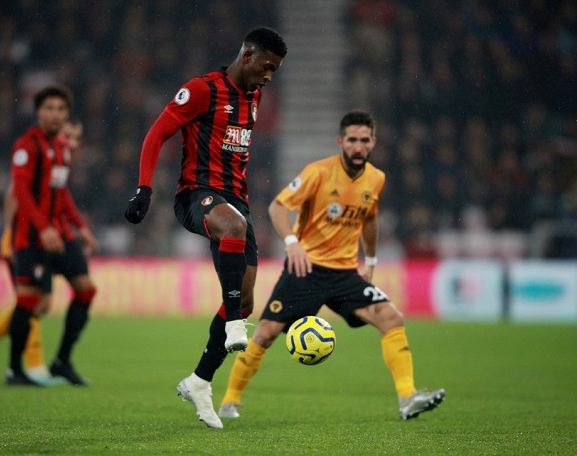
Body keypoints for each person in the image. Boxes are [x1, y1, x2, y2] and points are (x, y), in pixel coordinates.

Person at [218, 111, 445, 421]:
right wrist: (292, 243)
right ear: (341, 141)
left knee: (392, 318)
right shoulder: (319, 172)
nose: (358, 146)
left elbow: (370, 217)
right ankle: (230, 402)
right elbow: (277, 207)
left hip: (345, 274)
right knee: (266, 333)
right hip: (306, 269)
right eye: (352, 140)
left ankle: (408, 398)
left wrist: (372, 259)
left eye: (364, 140)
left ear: (372, 143)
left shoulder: (376, 179)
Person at [124, 27, 287, 428]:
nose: (269, 76)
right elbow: (156, 133)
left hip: (237, 206)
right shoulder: (201, 90)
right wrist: (144, 189)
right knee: (231, 235)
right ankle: (234, 324)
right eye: (266, 67)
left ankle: (199, 381)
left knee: (247, 300)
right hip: (197, 197)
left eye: (275, 71)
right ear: (247, 54)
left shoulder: (254, 96)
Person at [0, 119, 85, 385]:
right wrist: (12, 235)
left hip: (44, 241)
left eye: (77, 138)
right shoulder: (40, 157)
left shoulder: (59, 163)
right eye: (69, 136)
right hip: (24, 242)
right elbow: (14, 194)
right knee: (33, 299)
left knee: (40, 302)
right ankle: (34, 366)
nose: (73, 143)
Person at [6, 84, 99, 386]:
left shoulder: (61, 147)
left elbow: (62, 194)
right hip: (32, 237)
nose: (55, 114)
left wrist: (80, 226)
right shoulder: (26, 146)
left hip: (60, 236)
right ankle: (14, 371)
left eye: (60, 109)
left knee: (85, 290)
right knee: (29, 301)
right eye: (49, 108)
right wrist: (42, 227)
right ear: (38, 112)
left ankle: (62, 361)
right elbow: (21, 191)